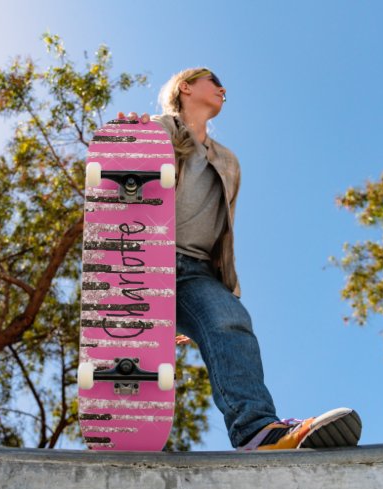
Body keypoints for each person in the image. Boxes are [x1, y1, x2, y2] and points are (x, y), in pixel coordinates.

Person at [117, 67, 362, 451]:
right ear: (185, 87)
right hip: (144, 260)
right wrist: (128, 138)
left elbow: (222, 229)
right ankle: (126, 429)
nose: (222, 89)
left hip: (196, 271)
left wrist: (217, 294)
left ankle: (257, 432)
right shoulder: (155, 130)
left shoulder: (228, 161)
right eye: (213, 82)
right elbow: (118, 179)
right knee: (138, 357)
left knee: (231, 320)